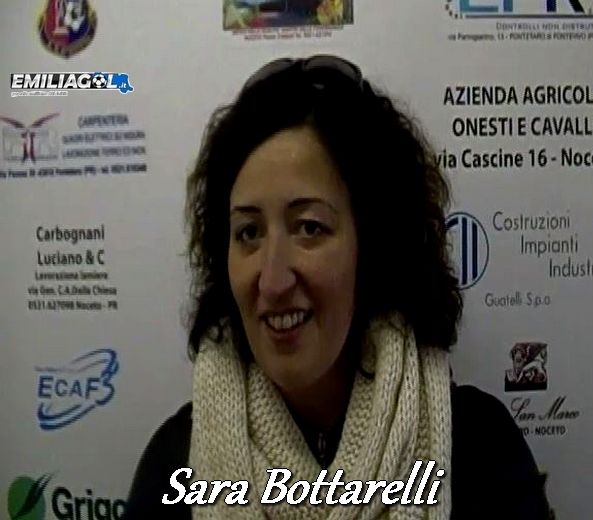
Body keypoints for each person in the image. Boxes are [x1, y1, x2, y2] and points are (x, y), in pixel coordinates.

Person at [123, 55, 553, 519]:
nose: (273, 280)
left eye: (309, 227)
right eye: (248, 232)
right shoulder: (176, 464)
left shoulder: (480, 450)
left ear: (374, 245)